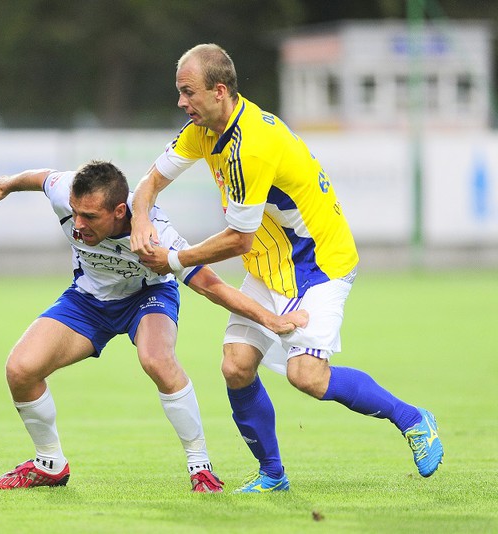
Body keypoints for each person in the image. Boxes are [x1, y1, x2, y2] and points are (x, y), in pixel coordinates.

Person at [129, 43, 444, 493]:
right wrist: (141, 218)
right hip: (269, 263)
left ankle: (413, 419)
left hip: (318, 263)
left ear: (219, 91)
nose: (181, 102)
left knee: (307, 376)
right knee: (236, 367)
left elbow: (238, 239)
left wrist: (174, 259)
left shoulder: (250, 147)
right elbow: (149, 182)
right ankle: (272, 475)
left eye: (188, 92)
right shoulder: (203, 128)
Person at [0, 160, 308, 492]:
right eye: (75, 212)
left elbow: (213, 286)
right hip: (88, 300)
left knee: (157, 360)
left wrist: (272, 320)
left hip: (149, 295)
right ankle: (49, 464)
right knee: (20, 369)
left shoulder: (158, 235)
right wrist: (6, 183)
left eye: (90, 217)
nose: (78, 224)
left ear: (120, 211)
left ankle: (200, 466)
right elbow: (41, 177)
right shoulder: (66, 191)